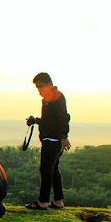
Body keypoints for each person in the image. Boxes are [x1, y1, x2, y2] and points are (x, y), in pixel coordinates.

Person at [24, 72, 71, 210]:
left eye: (41, 87)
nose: (39, 90)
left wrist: (63, 136)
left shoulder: (56, 97)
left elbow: (63, 117)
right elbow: (49, 120)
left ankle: (43, 202)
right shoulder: (47, 99)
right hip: (50, 138)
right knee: (53, 169)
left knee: (45, 170)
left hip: (53, 139)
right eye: (37, 88)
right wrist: (36, 120)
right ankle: (58, 201)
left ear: (49, 84)